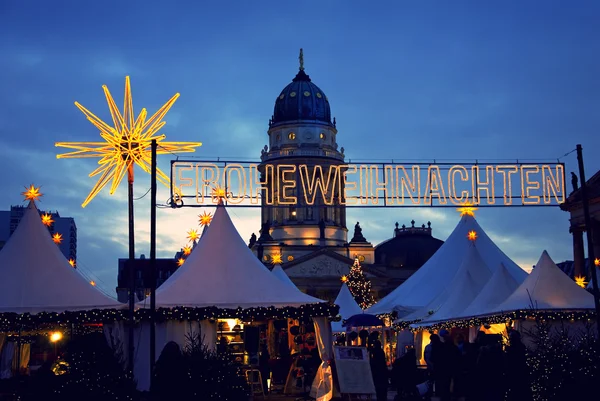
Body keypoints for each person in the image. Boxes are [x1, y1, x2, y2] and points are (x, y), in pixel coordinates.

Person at [505, 331, 532, 401]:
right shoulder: (521, 347)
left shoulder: (515, 348)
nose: (510, 340)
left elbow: (513, 361)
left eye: (511, 338)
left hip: (517, 374)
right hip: (518, 374)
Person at [435, 330, 459, 401]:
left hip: (444, 369)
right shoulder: (454, 347)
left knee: (444, 384)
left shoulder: (441, 347)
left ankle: (445, 397)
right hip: (451, 368)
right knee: (449, 383)